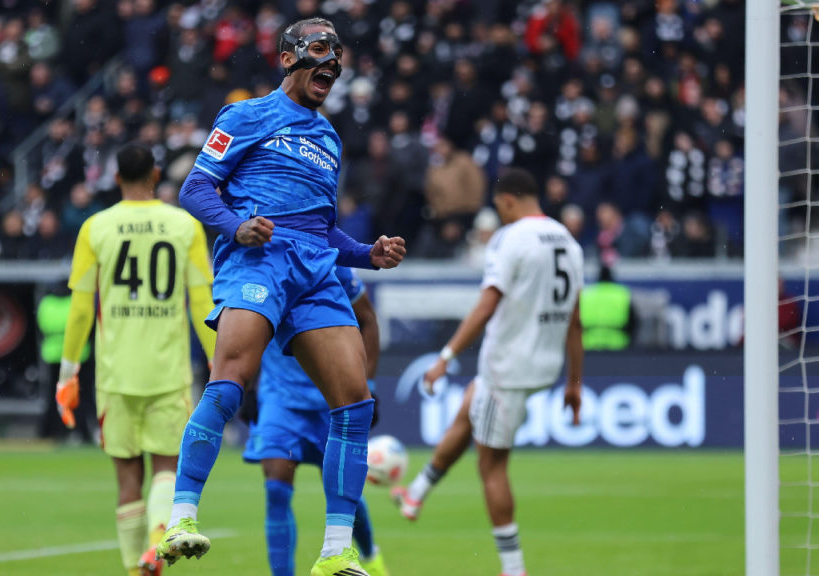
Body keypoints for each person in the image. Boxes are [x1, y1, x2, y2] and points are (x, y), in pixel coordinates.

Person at [157, 17, 406, 576]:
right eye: (320, 49)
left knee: (354, 405)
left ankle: (337, 551)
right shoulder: (246, 115)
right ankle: (181, 517)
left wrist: (370, 253)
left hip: (315, 272)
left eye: (338, 54)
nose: (332, 63)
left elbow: (322, 229)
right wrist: (234, 226)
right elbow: (197, 187)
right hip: (260, 259)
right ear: (288, 57)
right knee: (229, 382)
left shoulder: (329, 137)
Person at [400, 169, 584, 576]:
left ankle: (513, 568)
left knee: (493, 466)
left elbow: (487, 304)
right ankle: (415, 493)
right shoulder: (568, 242)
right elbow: (575, 318)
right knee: (469, 406)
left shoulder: (511, 237)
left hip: (508, 367)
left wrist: (446, 355)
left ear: (506, 202)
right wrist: (574, 382)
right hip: (544, 364)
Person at [55, 142, 217, 576]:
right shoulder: (184, 226)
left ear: (114, 179)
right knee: (167, 464)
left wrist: (67, 374)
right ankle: (157, 540)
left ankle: (136, 568)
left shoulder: (96, 227)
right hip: (167, 371)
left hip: (114, 374)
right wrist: (221, 366)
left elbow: (83, 309)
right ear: (156, 174)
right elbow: (204, 303)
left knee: (127, 479)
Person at [243, 266, 388, 576]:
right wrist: (250, 386)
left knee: (343, 490)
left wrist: (369, 385)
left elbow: (368, 320)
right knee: (276, 488)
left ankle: (370, 555)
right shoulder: (267, 263)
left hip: (329, 394)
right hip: (279, 397)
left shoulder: (332, 264)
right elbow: (252, 327)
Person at [579, 264, 637, 350]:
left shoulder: (586, 294)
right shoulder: (622, 294)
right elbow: (633, 322)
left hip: (589, 345)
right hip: (617, 346)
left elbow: (575, 322)